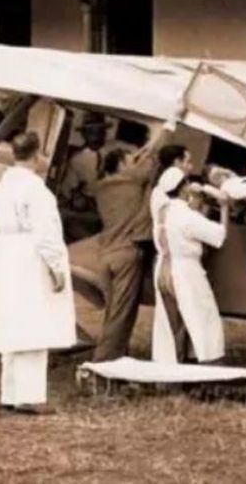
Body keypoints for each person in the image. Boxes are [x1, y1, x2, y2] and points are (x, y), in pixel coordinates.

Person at [0, 131, 75, 413]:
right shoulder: (36, 190)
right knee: (33, 322)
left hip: (5, 255)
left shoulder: (0, 190)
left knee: (12, 321)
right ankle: (30, 396)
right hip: (29, 256)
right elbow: (46, 233)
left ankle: (10, 393)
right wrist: (56, 266)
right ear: (36, 156)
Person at [88, 134, 166, 362]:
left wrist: (136, 156)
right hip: (127, 255)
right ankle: (102, 367)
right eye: (133, 160)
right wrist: (163, 131)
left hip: (106, 255)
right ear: (121, 165)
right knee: (121, 317)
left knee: (113, 314)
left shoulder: (102, 188)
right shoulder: (133, 184)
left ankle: (115, 359)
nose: (139, 162)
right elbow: (152, 166)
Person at [152, 178, 230, 364]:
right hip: (186, 270)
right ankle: (209, 369)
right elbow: (219, 235)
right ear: (183, 188)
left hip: (162, 267)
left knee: (170, 324)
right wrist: (224, 207)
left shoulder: (162, 209)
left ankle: (170, 367)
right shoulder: (185, 215)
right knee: (204, 319)